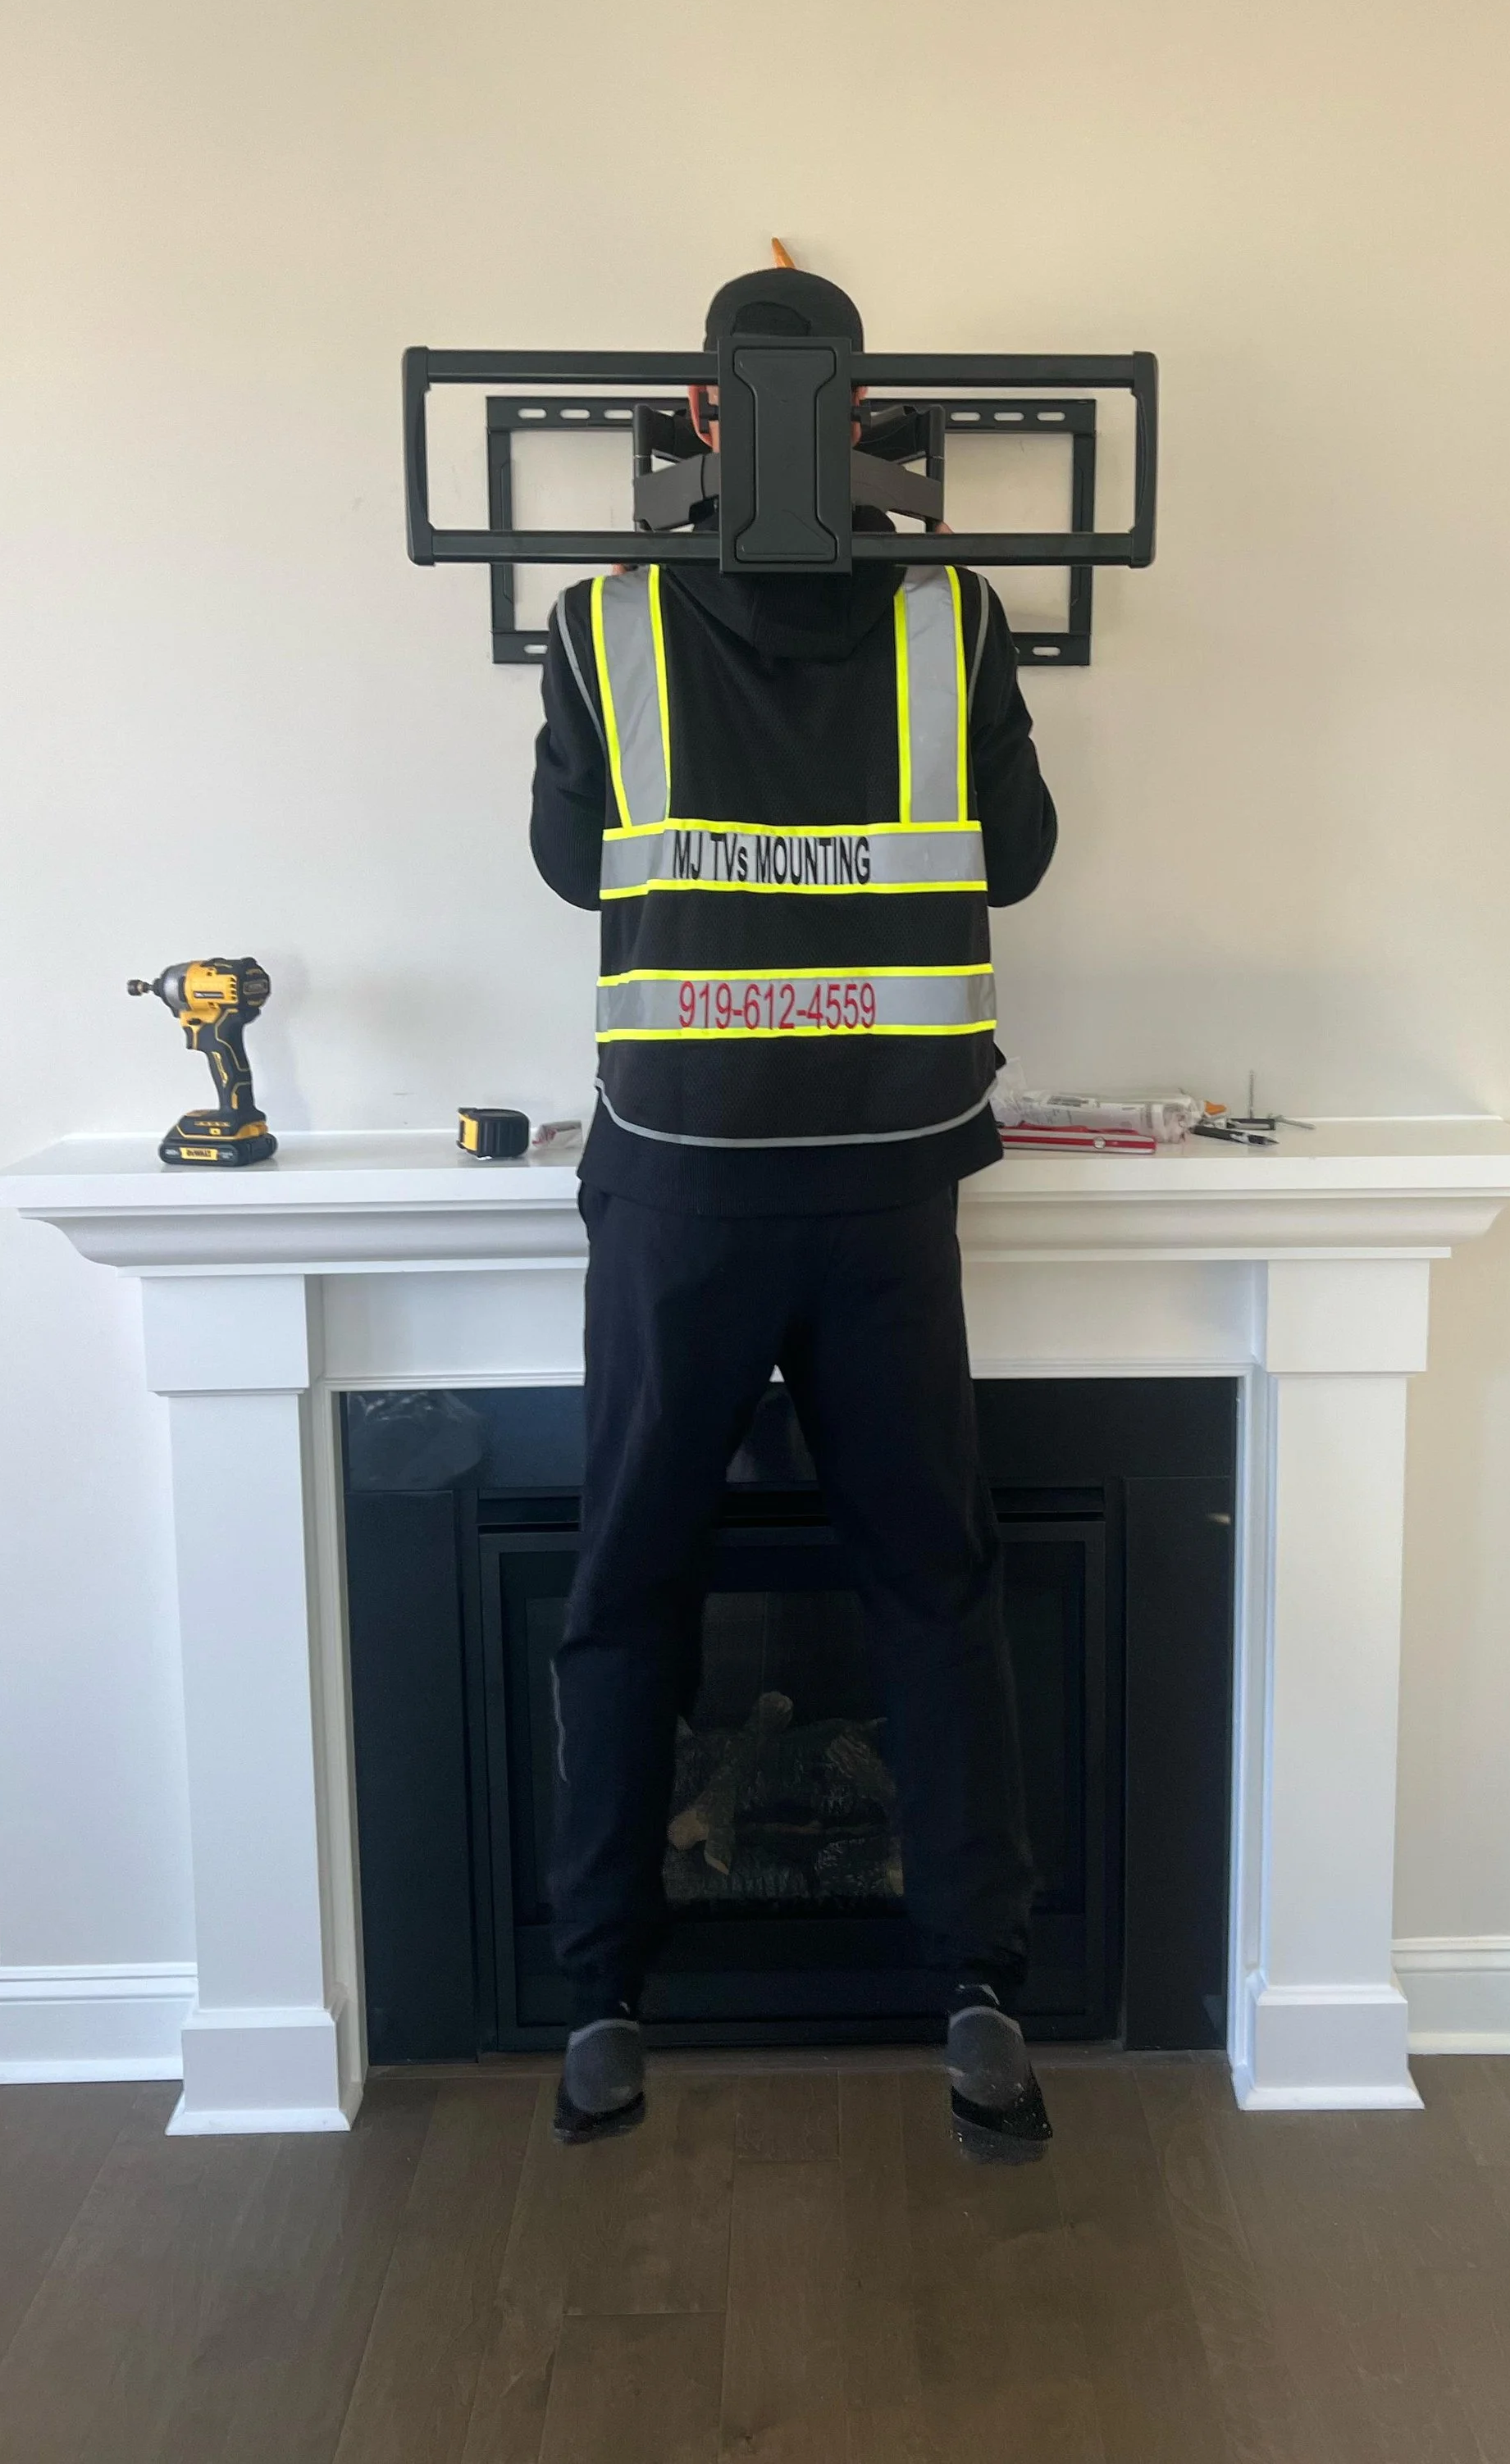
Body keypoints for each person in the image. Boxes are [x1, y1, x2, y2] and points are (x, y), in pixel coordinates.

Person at [528, 264, 1059, 2162]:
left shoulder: (598, 622)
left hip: (679, 1176)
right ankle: (976, 1985)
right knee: (930, 1578)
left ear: (698, 417)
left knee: (629, 1582)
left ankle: (603, 1999)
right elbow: (1018, 854)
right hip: (886, 1177)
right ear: (852, 422)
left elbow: (567, 865)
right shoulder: (953, 615)